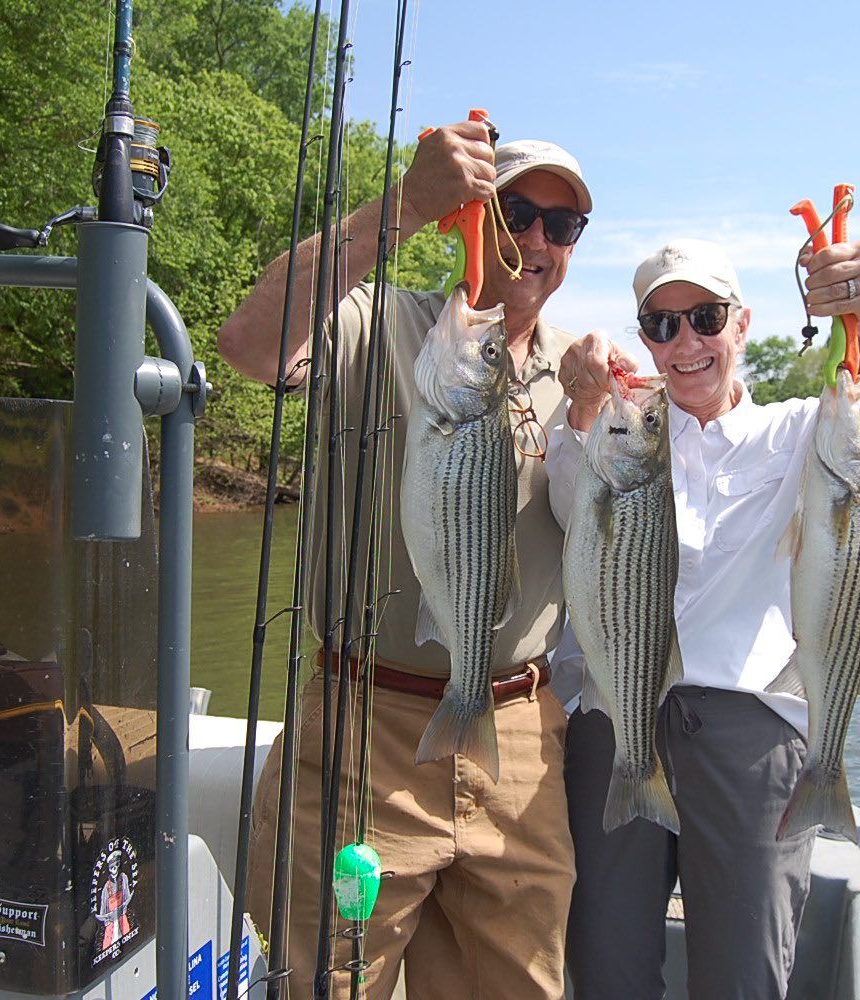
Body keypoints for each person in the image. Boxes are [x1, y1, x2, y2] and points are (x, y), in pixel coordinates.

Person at [217, 121, 592, 1000]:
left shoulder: (579, 374)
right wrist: (404, 206)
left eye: (562, 226)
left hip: (524, 743)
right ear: (477, 210)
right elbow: (249, 344)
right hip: (363, 728)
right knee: (328, 986)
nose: (537, 241)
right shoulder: (384, 319)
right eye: (520, 212)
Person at [545, 237, 860, 998]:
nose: (685, 342)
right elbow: (570, 506)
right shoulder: (620, 433)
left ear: (742, 324)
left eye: (704, 316)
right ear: (644, 341)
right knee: (604, 969)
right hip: (614, 709)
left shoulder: (805, 431)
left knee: (743, 979)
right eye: (661, 325)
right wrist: (586, 409)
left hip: (750, 726)